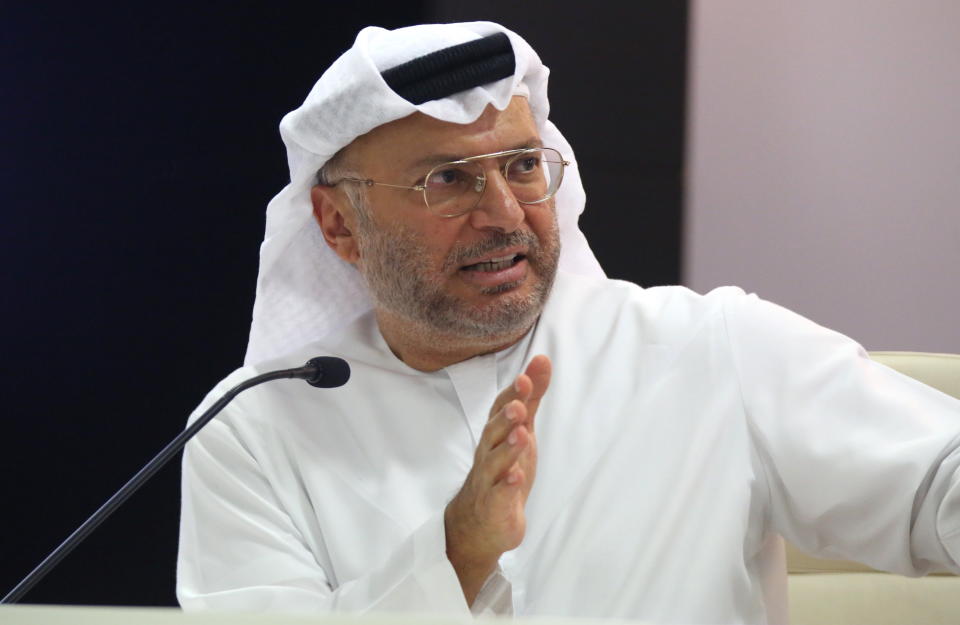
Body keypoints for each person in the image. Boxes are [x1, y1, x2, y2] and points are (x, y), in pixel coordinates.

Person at [177, 22, 960, 623]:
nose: (504, 212)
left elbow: (938, 483)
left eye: (522, 166)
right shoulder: (256, 427)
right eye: (447, 179)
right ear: (338, 224)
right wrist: (454, 557)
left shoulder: (704, 348)